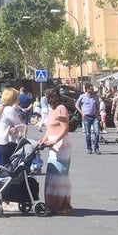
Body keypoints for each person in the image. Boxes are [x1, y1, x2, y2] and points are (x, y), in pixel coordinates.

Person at [37, 87, 72, 215]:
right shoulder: (52, 110)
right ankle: (52, 204)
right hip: (52, 146)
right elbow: (49, 129)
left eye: (46, 96)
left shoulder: (61, 109)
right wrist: (43, 139)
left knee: (59, 177)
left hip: (61, 146)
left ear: (52, 97)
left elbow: (65, 128)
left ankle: (62, 205)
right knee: (52, 176)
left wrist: (55, 140)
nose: (45, 99)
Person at [0, 87, 25, 167]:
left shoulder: (0, 107)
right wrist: (16, 127)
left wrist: (12, 126)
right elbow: (21, 126)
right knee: (10, 169)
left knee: (2, 169)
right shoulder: (9, 110)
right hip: (8, 144)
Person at [76, 84, 101, 154]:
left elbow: (98, 106)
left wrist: (97, 114)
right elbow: (77, 105)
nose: (92, 90)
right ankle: (89, 148)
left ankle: (96, 148)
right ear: (87, 89)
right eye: (91, 89)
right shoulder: (82, 97)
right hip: (86, 117)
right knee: (88, 134)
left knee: (97, 133)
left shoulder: (95, 97)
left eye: (92, 89)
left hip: (94, 117)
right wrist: (82, 113)